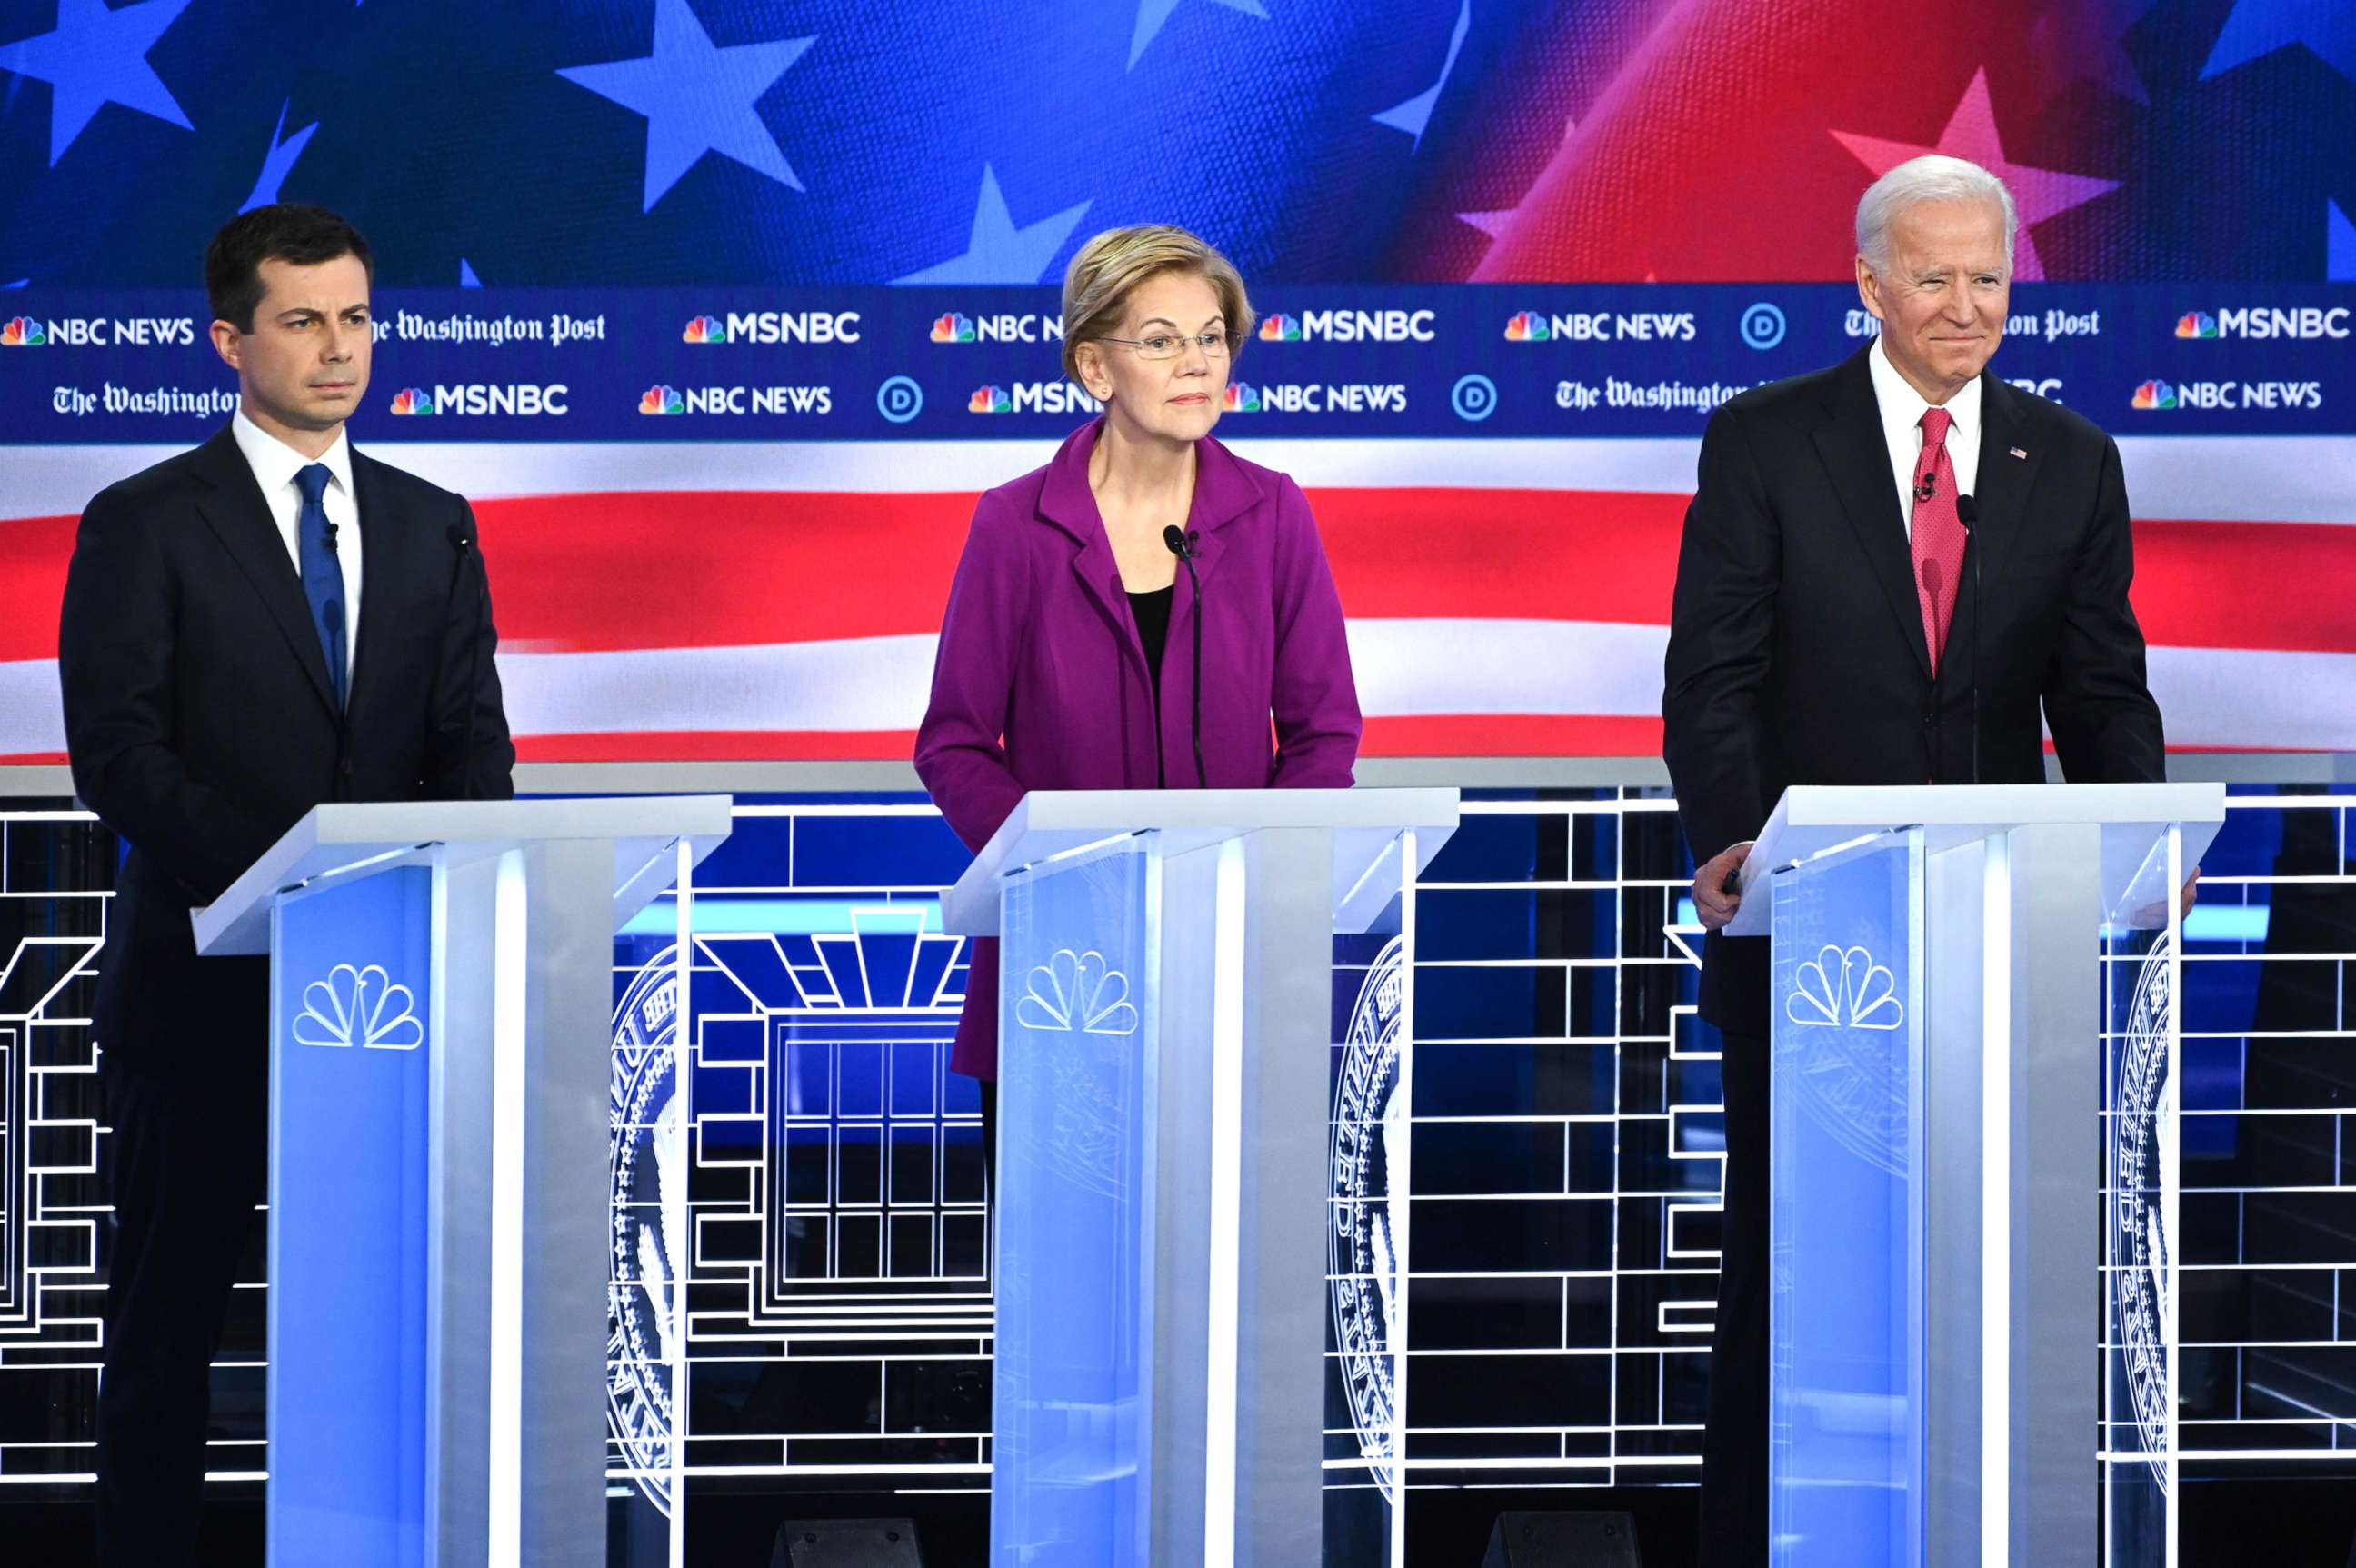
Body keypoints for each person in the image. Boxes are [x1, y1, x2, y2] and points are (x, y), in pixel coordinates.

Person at [1660, 155, 2179, 1566]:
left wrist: (2137, 835)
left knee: (1988, 1259)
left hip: (1995, 938)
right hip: (1808, 937)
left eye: (1991, 278)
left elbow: (2101, 689)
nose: (1967, 305)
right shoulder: (1767, 438)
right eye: (1936, 277)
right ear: (1870, 283)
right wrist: (1737, 843)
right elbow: (1712, 677)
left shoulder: (2068, 460)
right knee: (1786, 1273)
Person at [57, 203, 514, 1564]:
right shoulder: (144, 522)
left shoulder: (434, 524)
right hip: (197, 1006)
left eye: (358, 318)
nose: (339, 348)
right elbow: (119, 758)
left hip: (388, 1009)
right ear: (231, 341)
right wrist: (289, 880)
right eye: (305, 320)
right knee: (168, 1335)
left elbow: (470, 747)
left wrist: (418, 886)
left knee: (382, 1325)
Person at [913, 223, 1362, 1173]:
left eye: (1212, 336)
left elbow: (1324, 732)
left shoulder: (1273, 511)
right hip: (1060, 963)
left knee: (1220, 1266)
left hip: (1225, 955)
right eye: (1161, 340)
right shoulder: (1017, 524)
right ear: (1094, 367)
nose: (1196, 362)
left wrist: (1251, 874)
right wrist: (1061, 870)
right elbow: (953, 743)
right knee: (1065, 1279)